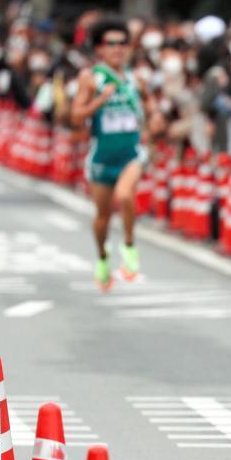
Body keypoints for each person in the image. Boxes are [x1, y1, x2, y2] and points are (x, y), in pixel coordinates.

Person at [71, 19, 148, 290]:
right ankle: (102, 258)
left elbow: (150, 107)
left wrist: (154, 123)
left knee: (125, 196)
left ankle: (129, 249)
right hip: (102, 157)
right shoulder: (90, 78)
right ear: (100, 48)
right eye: (111, 44)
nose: (117, 49)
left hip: (131, 153)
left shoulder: (136, 78)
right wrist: (101, 99)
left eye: (122, 43)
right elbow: (76, 115)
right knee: (103, 216)